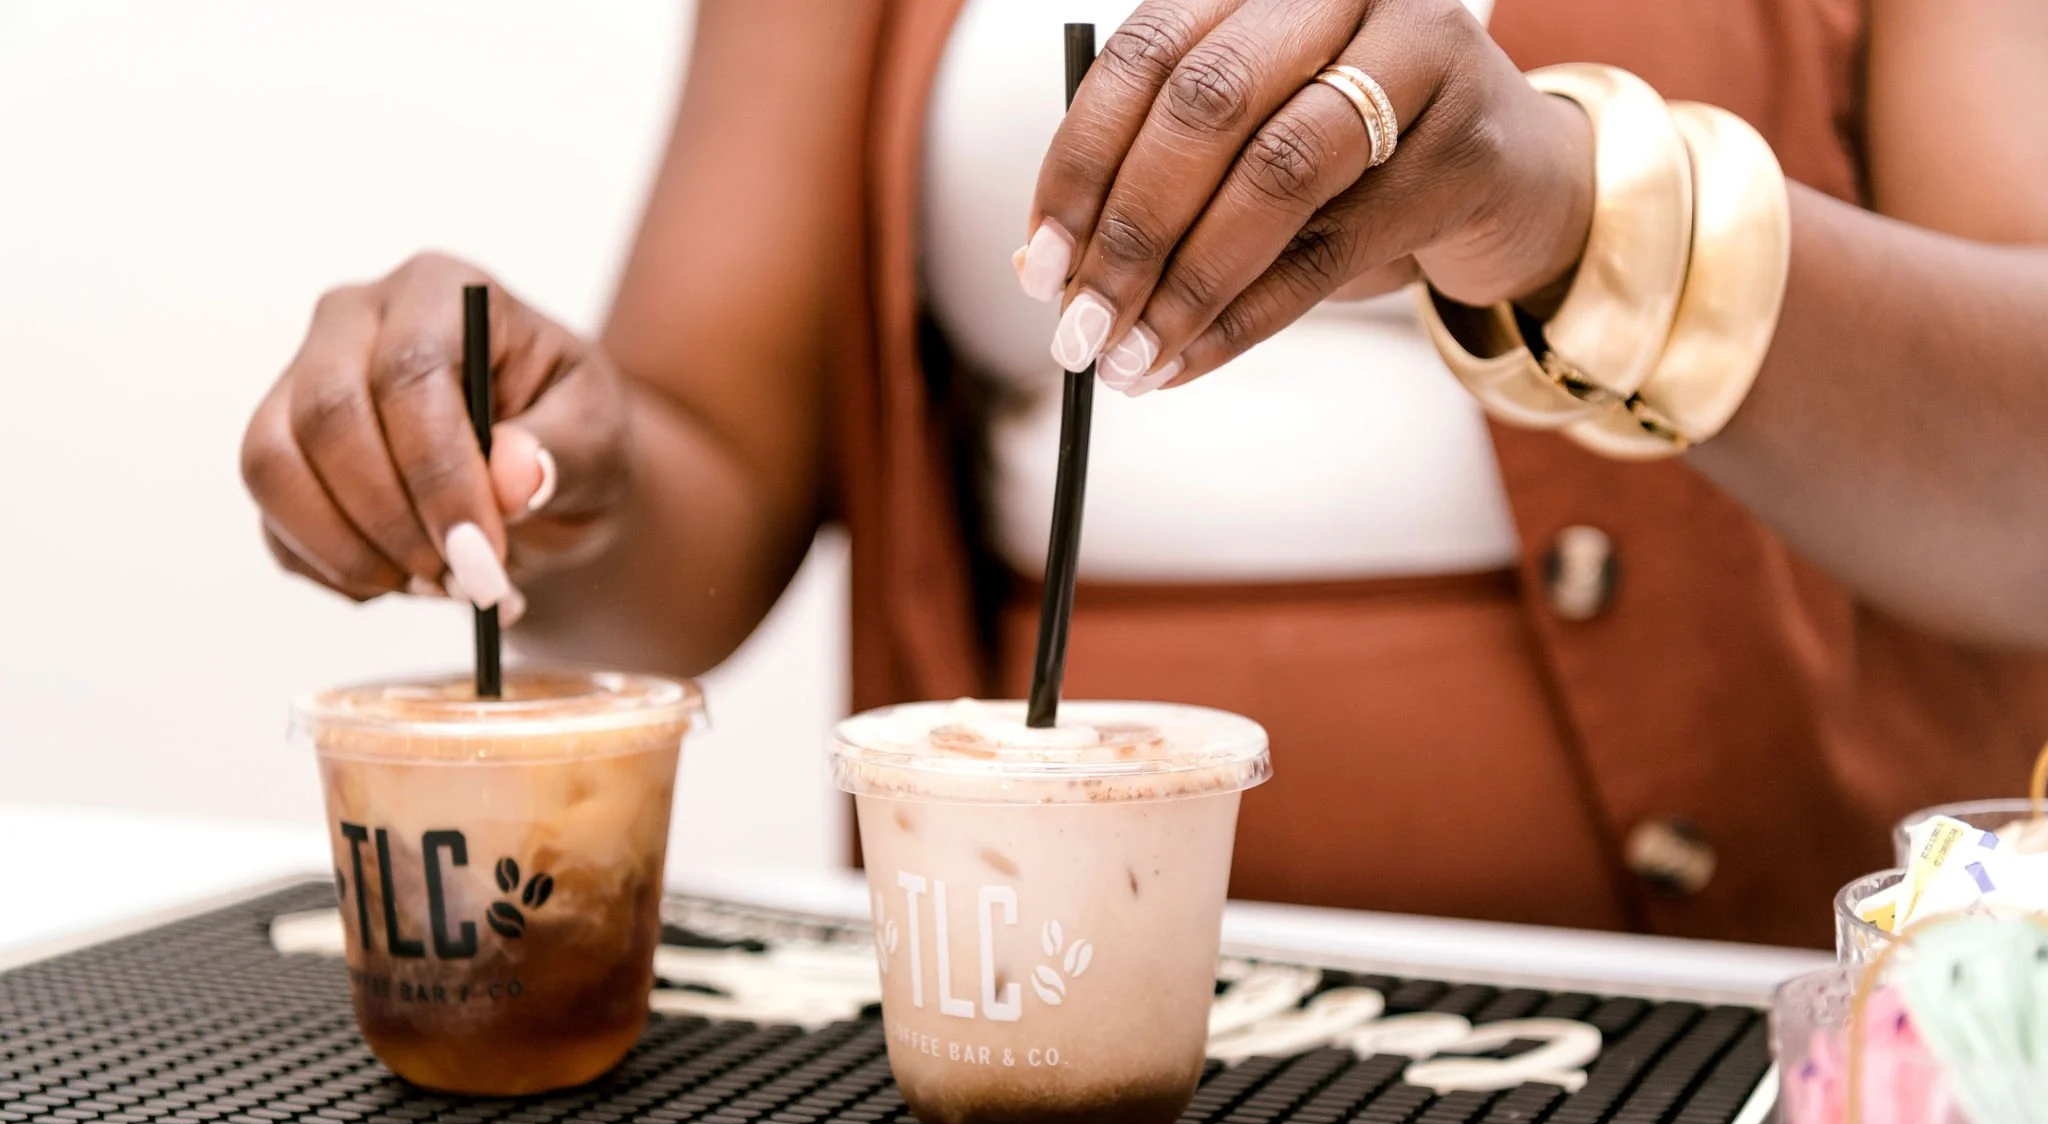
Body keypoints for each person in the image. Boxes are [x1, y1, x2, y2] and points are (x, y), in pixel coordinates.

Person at [240, 0, 2048, 946]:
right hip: (1015, 1065)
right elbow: (692, 505)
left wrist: (1569, 208)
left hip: (1708, 1093)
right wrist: (532, 465)